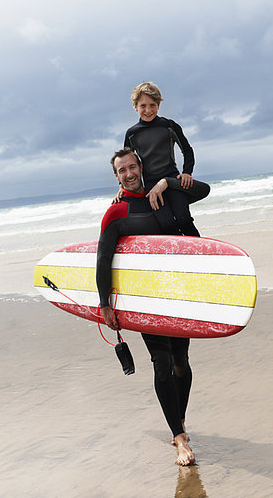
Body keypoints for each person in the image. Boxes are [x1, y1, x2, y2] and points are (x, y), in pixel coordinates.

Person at [96, 148, 195, 466]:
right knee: (162, 361)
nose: (128, 173)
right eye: (121, 170)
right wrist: (105, 304)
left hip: (175, 291)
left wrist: (167, 182)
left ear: (141, 167)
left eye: (132, 167)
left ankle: (177, 422)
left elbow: (202, 190)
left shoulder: (161, 197)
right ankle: (180, 439)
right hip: (142, 298)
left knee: (181, 360)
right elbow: (103, 258)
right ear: (116, 176)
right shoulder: (116, 212)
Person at [120, 81, 209, 236]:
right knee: (166, 224)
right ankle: (178, 257)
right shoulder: (132, 133)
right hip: (151, 186)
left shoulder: (169, 126)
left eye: (152, 105)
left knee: (184, 220)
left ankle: (199, 254)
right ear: (135, 107)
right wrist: (121, 186)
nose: (148, 110)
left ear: (158, 105)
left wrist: (187, 172)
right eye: (143, 106)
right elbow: (126, 163)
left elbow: (187, 150)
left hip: (173, 181)